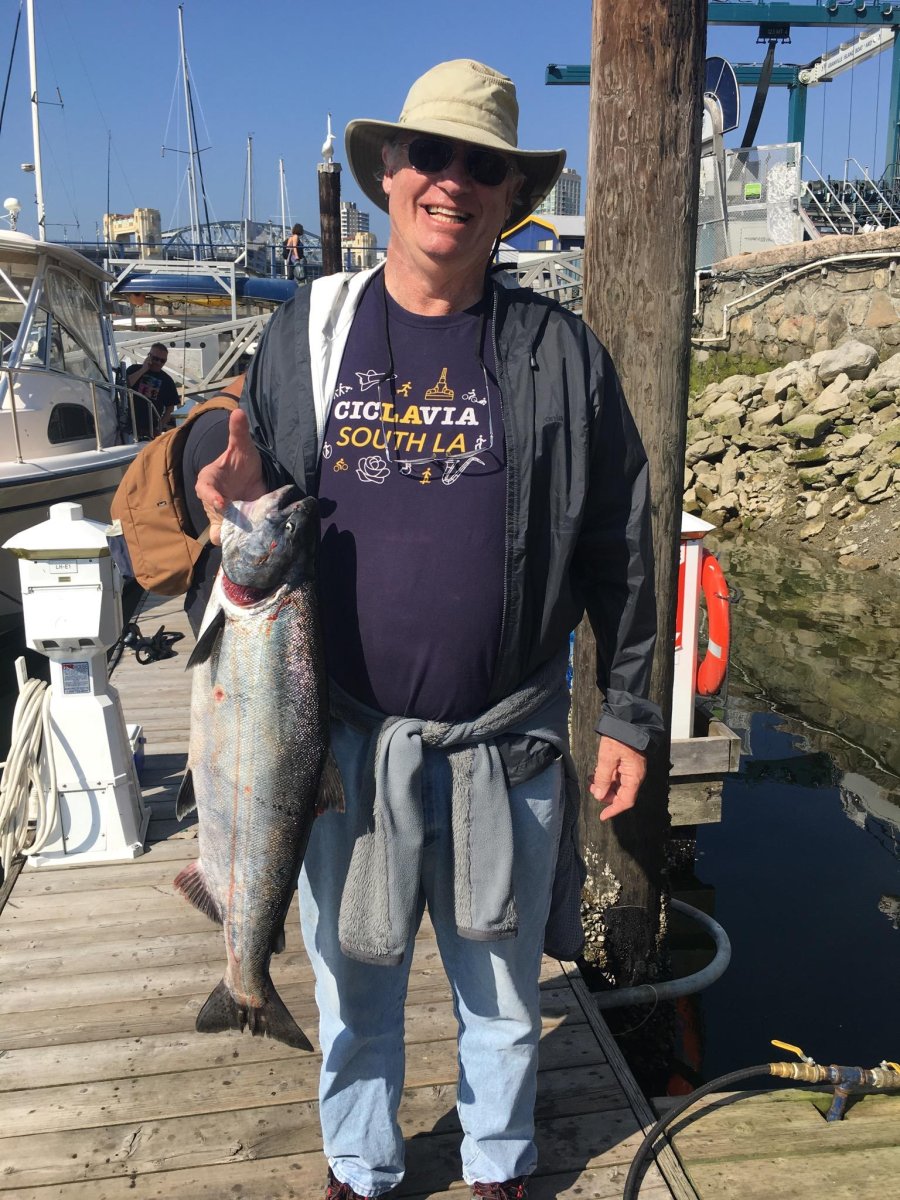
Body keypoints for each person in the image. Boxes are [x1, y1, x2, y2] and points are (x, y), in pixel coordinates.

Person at [196, 59, 663, 1200]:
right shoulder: (309, 326)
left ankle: (499, 1163)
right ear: (389, 176)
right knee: (353, 980)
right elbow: (231, 458)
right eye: (432, 157)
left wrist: (634, 714)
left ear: (510, 196)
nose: (453, 181)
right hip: (332, 736)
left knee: (499, 984)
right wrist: (209, 473)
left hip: (507, 739)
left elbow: (626, 540)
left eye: (482, 166)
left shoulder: (561, 353)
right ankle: (361, 1165)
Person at [125, 343, 179, 439]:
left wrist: (160, 426)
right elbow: (126, 385)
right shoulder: (134, 369)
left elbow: (170, 407)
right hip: (127, 426)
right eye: (155, 358)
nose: (158, 362)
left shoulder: (167, 380)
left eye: (162, 361)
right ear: (149, 356)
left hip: (150, 430)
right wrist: (143, 369)